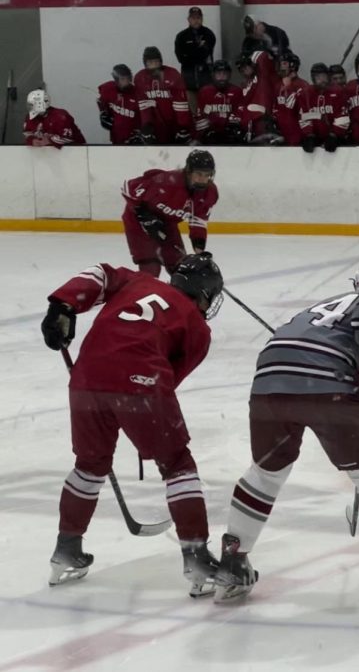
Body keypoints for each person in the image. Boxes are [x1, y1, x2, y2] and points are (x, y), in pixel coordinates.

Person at [214, 257, 359, 612]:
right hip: (326, 387)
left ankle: (233, 561)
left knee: (266, 474)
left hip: (269, 383)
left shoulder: (326, 306)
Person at [40, 253, 224, 595]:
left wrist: (63, 306)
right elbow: (167, 380)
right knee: (177, 463)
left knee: (89, 465)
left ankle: (66, 550)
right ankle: (197, 557)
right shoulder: (198, 328)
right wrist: (140, 422)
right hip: (140, 383)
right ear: (205, 294)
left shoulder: (138, 281)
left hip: (86, 378)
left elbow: (100, 272)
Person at [120, 150, 218, 277]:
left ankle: (177, 296)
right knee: (151, 266)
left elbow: (198, 221)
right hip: (138, 221)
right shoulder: (166, 182)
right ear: (189, 171)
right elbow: (128, 188)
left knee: (181, 267)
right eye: (199, 174)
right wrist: (144, 215)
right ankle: (145, 293)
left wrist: (199, 251)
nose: (203, 179)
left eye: (207, 175)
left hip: (168, 223)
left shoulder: (209, 193)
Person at [135, 46, 193, 144]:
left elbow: (181, 104)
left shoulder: (173, 74)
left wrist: (183, 127)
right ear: (145, 63)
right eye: (150, 63)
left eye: (156, 61)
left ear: (161, 61)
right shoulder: (140, 78)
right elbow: (144, 106)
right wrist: (147, 127)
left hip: (174, 123)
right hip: (155, 126)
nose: (153, 66)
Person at [236, 46, 281, 144]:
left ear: (252, 64)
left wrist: (250, 56)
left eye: (247, 65)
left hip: (265, 123)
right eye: (241, 68)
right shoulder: (243, 86)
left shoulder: (262, 76)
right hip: (249, 128)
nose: (244, 69)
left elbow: (263, 56)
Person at [195, 60, 245, 145]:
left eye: (224, 74)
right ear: (213, 75)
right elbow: (200, 116)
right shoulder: (205, 91)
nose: (222, 77)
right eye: (218, 74)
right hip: (209, 134)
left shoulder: (237, 91)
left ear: (229, 75)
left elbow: (240, 114)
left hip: (231, 134)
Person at [300, 63, 345, 153]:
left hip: (335, 139)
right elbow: (304, 117)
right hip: (317, 137)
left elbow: (342, 116)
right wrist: (309, 135)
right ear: (313, 78)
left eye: (324, 76)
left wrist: (334, 135)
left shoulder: (338, 91)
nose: (322, 80)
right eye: (318, 77)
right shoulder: (307, 94)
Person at [174, 6, 216, 103]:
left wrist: (190, 53)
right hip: (188, 78)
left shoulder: (209, 34)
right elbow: (180, 58)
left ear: (202, 19)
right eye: (193, 18)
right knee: (192, 108)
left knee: (207, 106)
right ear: (188, 19)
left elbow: (206, 54)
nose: (196, 20)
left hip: (206, 76)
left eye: (198, 18)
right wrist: (198, 49)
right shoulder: (181, 36)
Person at [97, 64, 143, 145]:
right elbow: (100, 101)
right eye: (122, 79)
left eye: (128, 78)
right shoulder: (108, 89)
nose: (126, 81)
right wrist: (103, 114)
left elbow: (146, 118)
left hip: (134, 141)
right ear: (116, 79)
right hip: (116, 139)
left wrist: (141, 135)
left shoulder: (138, 94)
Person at [272, 51, 308, 146]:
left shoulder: (302, 85)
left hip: (299, 138)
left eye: (283, 63)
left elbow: (306, 113)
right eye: (279, 64)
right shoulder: (277, 86)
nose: (280, 67)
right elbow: (275, 109)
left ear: (293, 66)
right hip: (282, 137)